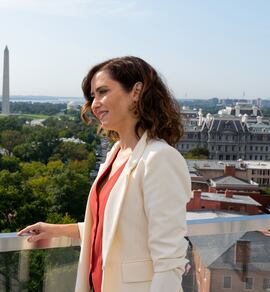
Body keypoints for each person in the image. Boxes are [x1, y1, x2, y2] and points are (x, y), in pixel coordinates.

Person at [18, 56, 191, 292]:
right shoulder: (115, 154)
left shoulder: (160, 158)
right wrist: (57, 230)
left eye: (103, 92)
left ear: (136, 91)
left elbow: (169, 261)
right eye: (92, 97)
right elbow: (112, 226)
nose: (94, 104)